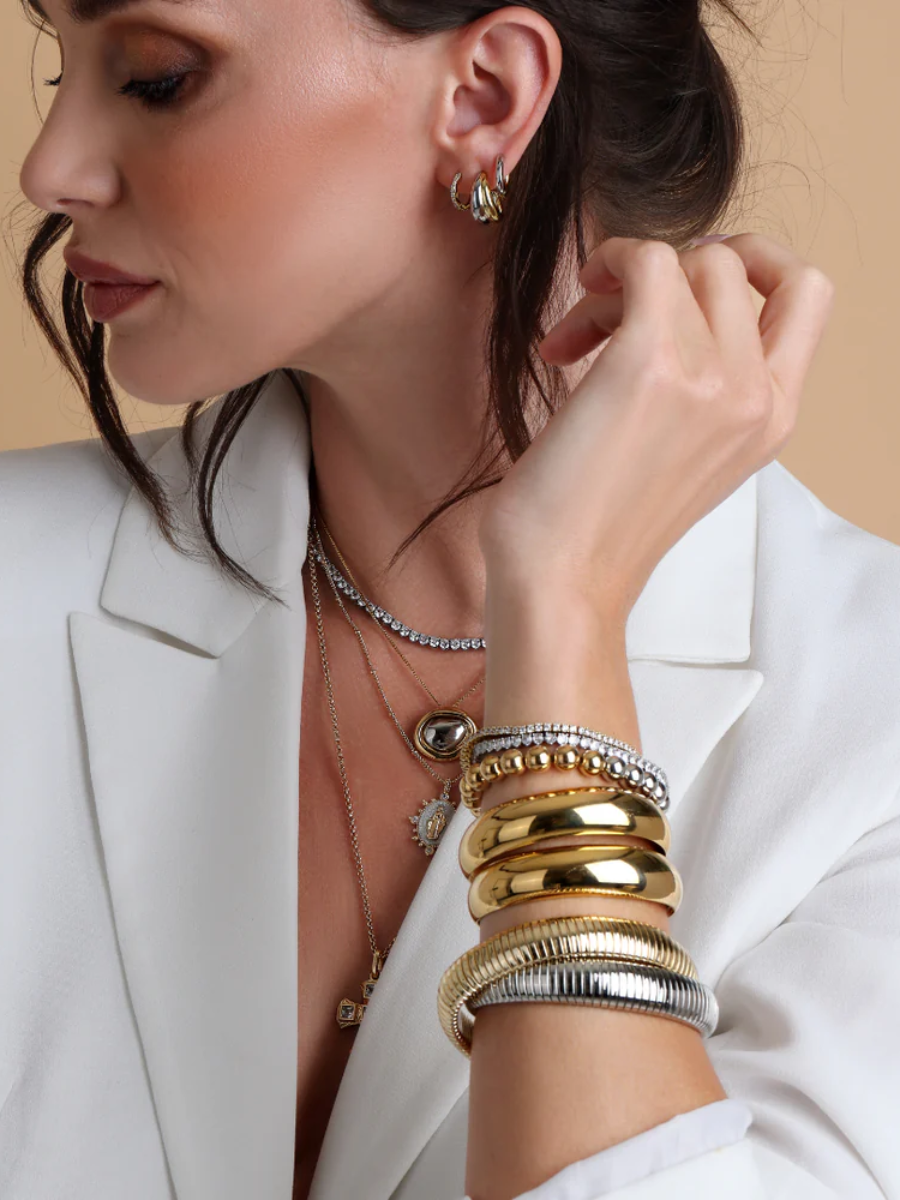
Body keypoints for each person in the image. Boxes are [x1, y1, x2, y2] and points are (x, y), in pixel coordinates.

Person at [2, 0, 898, 1198]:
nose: (48, 167)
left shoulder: (872, 728)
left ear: (485, 97)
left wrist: (563, 609)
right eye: (59, 70)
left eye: (157, 76)